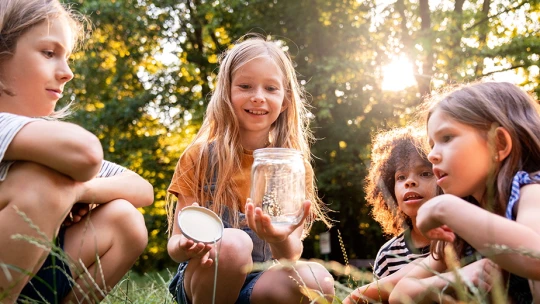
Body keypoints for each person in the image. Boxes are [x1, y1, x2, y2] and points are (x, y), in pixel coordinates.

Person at [0, 1, 154, 303]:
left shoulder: (40, 141)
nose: (68, 72)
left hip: (31, 274)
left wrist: (77, 192)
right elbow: (85, 154)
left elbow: (142, 189)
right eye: (48, 53)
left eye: (67, 57)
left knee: (127, 220)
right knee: (43, 183)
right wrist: (63, 188)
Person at [166, 36, 335, 304]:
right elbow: (174, 245)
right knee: (234, 244)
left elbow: (290, 256)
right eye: (245, 86)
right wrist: (186, 246)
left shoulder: (293, 166)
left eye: (270, 88)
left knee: (318, 280)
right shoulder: (199, 156)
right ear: (227, 92)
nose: (258, 97)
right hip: (203, 281)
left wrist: (278, 239)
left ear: (285, 100)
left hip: (258, 283)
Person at [389, 81, 540, 303]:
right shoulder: (462, 224)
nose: (431, 156)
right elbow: (399, 295)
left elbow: (535, 258)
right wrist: (456, 277)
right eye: (431, 145)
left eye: (446, 138)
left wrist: (444, 207)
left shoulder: (530, 190)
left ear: (498, 144)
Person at [343, 126, 435, 303]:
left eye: (425, 173)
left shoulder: (461, 238)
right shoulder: (388, 255)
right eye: (401, 177)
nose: (410, 182)